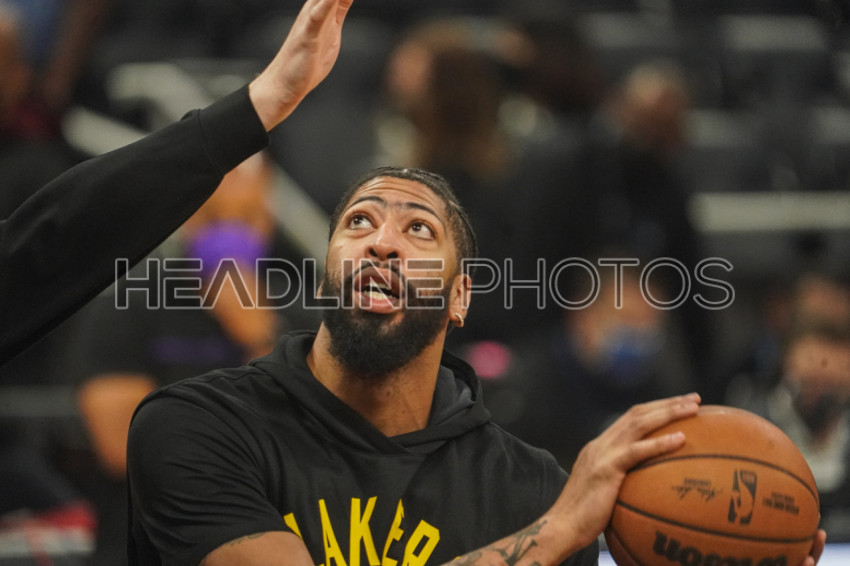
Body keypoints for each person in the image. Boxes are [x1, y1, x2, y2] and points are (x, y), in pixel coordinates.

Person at [0, 0, 346, 366]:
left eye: (247, 216)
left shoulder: (302, 314)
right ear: (182, 216)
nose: (229, 238)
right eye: (212, 216)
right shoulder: (131, 306)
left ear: (269, 217)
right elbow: (56, 235)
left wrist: (260, 338)